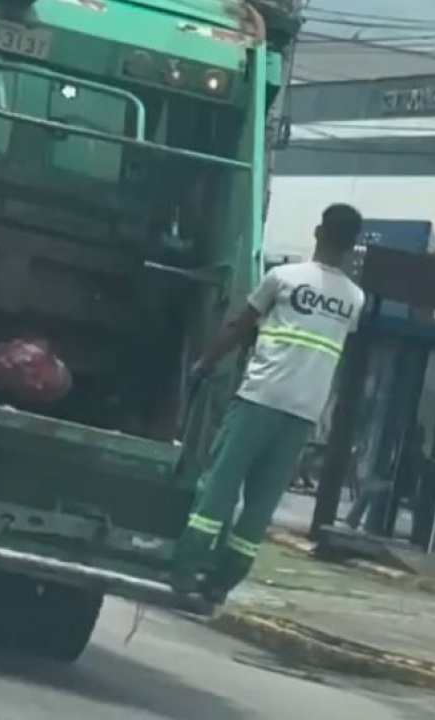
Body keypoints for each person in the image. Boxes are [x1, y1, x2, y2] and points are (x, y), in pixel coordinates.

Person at [173, 203, 366, 605]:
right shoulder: (355, 299)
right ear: (352, 244)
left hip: (260, 398)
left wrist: (205, 363)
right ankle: (222, 581)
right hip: (302, 415)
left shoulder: (282, 278)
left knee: (220, 485)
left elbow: (240, 326)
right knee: (260, 504)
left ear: (318, 231)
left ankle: (187, 567)